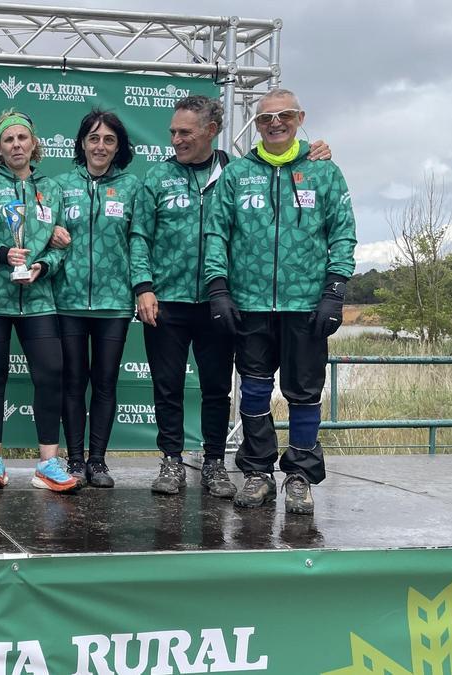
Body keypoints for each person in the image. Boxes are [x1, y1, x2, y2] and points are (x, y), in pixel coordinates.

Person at [130, 95, 332, 499]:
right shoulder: (156, 177)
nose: (177, 139)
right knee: (167, 386)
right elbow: (139, 236)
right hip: (167, 301)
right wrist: (143, 286)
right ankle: (171, 461)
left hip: (222, 301)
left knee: (217, 389)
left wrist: (313, 150)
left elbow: (281, 157)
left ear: (211, 130)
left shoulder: (237, 171)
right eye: (173, 132)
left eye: (185, 132)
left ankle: (213, 463)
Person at [203, 88, 356, 515]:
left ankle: (301, 475)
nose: (274, 123)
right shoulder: (236, 174)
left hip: (306, 305)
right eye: (265, 118)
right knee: (252, 391)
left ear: (299, 117)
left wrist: (335, 290)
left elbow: (343, 233)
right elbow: (217, 231)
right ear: (255, 124)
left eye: (284, 116)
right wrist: (218, 286)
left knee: (304, 394)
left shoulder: (325, 171)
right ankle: (257, 471)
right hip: (250, 305)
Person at [0, 110, 74, 492]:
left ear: (34, 143)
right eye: (9, 140)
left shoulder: (51, 188)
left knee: (51, 372)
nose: (17, 145)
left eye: (22, 138)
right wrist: (1, 253)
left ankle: (48, 462)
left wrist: (44, 264)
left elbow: (61, 247)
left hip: (38, 297)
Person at [48, 109, 141, 489]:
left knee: (104, 383)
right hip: (67, 300)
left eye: (108, 140)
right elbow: (40, 233)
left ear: (118, 147)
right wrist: (49, 233)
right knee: (72, 381)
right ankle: (74, 460)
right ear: (82, 143)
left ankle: (98, 461)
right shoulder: (59, 186)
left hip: (114, 303)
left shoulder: (133, 187)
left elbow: (139, 241)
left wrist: (139, 287)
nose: (100, 146)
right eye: (93, 138)